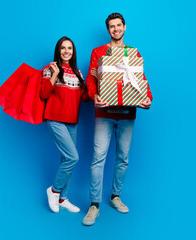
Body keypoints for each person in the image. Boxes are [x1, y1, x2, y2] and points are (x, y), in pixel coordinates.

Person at [82, 13, 153, 226]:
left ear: (124, 27)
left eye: (118, 26)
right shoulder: (99, 52)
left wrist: (147, 98)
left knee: (123, 158)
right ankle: (94, 204)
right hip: (104, 113)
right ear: (108, 30)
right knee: (98, 157)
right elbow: (92, 77)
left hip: (128, 113)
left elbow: (139, 78)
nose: (115, 29)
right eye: (112, 27)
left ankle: (115, 197)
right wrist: (94, 96)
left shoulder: (134, 52)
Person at [40, 36, 89, 213]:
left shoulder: (77, 73)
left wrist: (96, 81)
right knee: (72, 158)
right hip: (55, 119)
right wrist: (54, 73)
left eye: (69, 48)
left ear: (73, 51)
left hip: (72, 122)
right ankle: (53, 190)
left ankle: (63, 199)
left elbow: (83, 97)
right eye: (63, 48)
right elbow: (44, 94)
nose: (66, 51)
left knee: (66, 159)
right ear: (58, 50)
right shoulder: (50, 68)